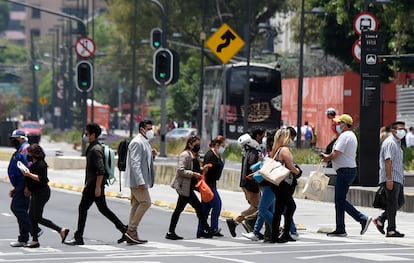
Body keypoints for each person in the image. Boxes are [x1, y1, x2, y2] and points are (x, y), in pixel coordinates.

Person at [65, 123, 127, 245]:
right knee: (103, 209)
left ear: (93, 135)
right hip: (94, 184)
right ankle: (124, 230)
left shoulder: (95, 149)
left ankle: (78, 237)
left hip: (93, 185)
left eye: (87, 134)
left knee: (83, 208)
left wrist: (98, 187)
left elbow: (101, 170)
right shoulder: (94, 147)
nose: (85, 135)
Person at [321, 114, 372, 237]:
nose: (338, 125)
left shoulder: (345, 136)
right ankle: (340, 228)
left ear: (345, 124)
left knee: (340, 200)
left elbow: (336, 153)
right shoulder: (351, 135)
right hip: (347, 170)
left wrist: (327, 158)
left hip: (345, 171)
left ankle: (362, 218)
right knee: (339, 200)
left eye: (340, 123)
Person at [22, 144, 69, 248]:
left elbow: (42, 179)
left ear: (34, 153)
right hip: (36, 192)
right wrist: (28, 187)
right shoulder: (33, 164)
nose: (27, 155)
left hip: (42, 193)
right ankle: (35, 240)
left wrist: (28, 175)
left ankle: (61, 230)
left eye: (29, 152)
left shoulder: (41, 164)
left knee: (37, 217)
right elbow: (32, 180)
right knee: (32, 217)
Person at [166, 136, 212, 240]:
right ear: (190, 144)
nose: (198, 146)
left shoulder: (194, 155)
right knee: (197, 207)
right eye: (196, 144)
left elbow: (194, 168)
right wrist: (194, 174)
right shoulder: (185, 155)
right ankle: (206, 229)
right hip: (184, 187)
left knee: (180, 209)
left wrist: (202, 169)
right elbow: (180, 170)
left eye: (199, 144)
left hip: (189, 187)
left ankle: (171, 231)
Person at [226, 126, 265, 237]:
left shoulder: (248, 147)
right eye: (263, 135)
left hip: (246, 181)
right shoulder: (254, 148)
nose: (264, 137)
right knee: (257, 207)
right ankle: (235, 221)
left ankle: (250, 227)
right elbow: (253, 166)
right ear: (258, 135)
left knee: (256, 206)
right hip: (251, 182)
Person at [123, 120, 157, 244]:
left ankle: (131, 234)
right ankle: (131, 230)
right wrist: (140, 181)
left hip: (140, 180)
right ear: (142, 129)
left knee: (136, 205)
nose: (151, 131)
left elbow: (144, 161)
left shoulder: (145, 142)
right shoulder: (137, 142)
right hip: (137, 181)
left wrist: (152, 156)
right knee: (146, 202)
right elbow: (135, 163)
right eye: (148, 129)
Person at [373, 121, 406, 238]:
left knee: (400, 202)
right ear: (393, 130)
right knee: (392, 203)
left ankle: (381, 219)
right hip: (391, 178)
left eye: (404, 129)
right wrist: (389, 179)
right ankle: (391, 230)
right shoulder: (390, 143)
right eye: (400, 129)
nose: (403, 131)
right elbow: (388, 161)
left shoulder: (397, 143)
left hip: (397, 178)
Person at [269, 128, 301, 243]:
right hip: (284, 183)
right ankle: (282, 234)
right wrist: (297, 171)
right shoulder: (285, 150)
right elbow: (290, 166)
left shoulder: (277, 150)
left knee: (280, 209)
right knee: (289, 207)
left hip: (277, 183)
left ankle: (278, 235)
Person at [197, 135, 226, 237]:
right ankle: (213, 228)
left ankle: (201, 230)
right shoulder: (210, 155)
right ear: (217, 145)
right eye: (223, 145)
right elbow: (205, 169)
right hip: (208, 184)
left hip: (213, 183)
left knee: (206, 208)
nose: (224, 147)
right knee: (217, 205)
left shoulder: (217, 155)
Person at [7, 129, 32, 247]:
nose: (13, 141)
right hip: (19, 184)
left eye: (15, 139)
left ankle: (34, 230)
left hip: (24, 183)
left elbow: (28, 169)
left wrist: (27, 186)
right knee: (20, 209)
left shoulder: (25, 149)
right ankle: (23, 238)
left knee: (16, 208)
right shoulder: (20, 149)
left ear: (22, 138)